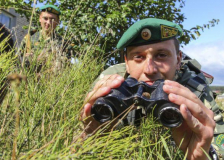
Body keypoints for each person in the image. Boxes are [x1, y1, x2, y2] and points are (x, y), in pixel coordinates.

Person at [80, 18, 224, 159]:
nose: (149, 69)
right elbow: (76, 141)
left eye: (161, 55)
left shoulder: (193, 88)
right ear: (126, 63)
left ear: (178, 60)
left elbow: (220, 143)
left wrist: (203, 155)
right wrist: (89, 137)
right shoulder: (110, 82)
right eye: (138, 57)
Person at [17, 4, 74, 73]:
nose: (48, 22)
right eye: (45, 18)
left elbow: (65, 68)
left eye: (52, 19)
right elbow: (16, 62)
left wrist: (45, 60)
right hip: (28, 80)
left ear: (58, 21)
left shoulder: (63, 44)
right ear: (40, 18)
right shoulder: (29, 38)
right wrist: (26, 59)